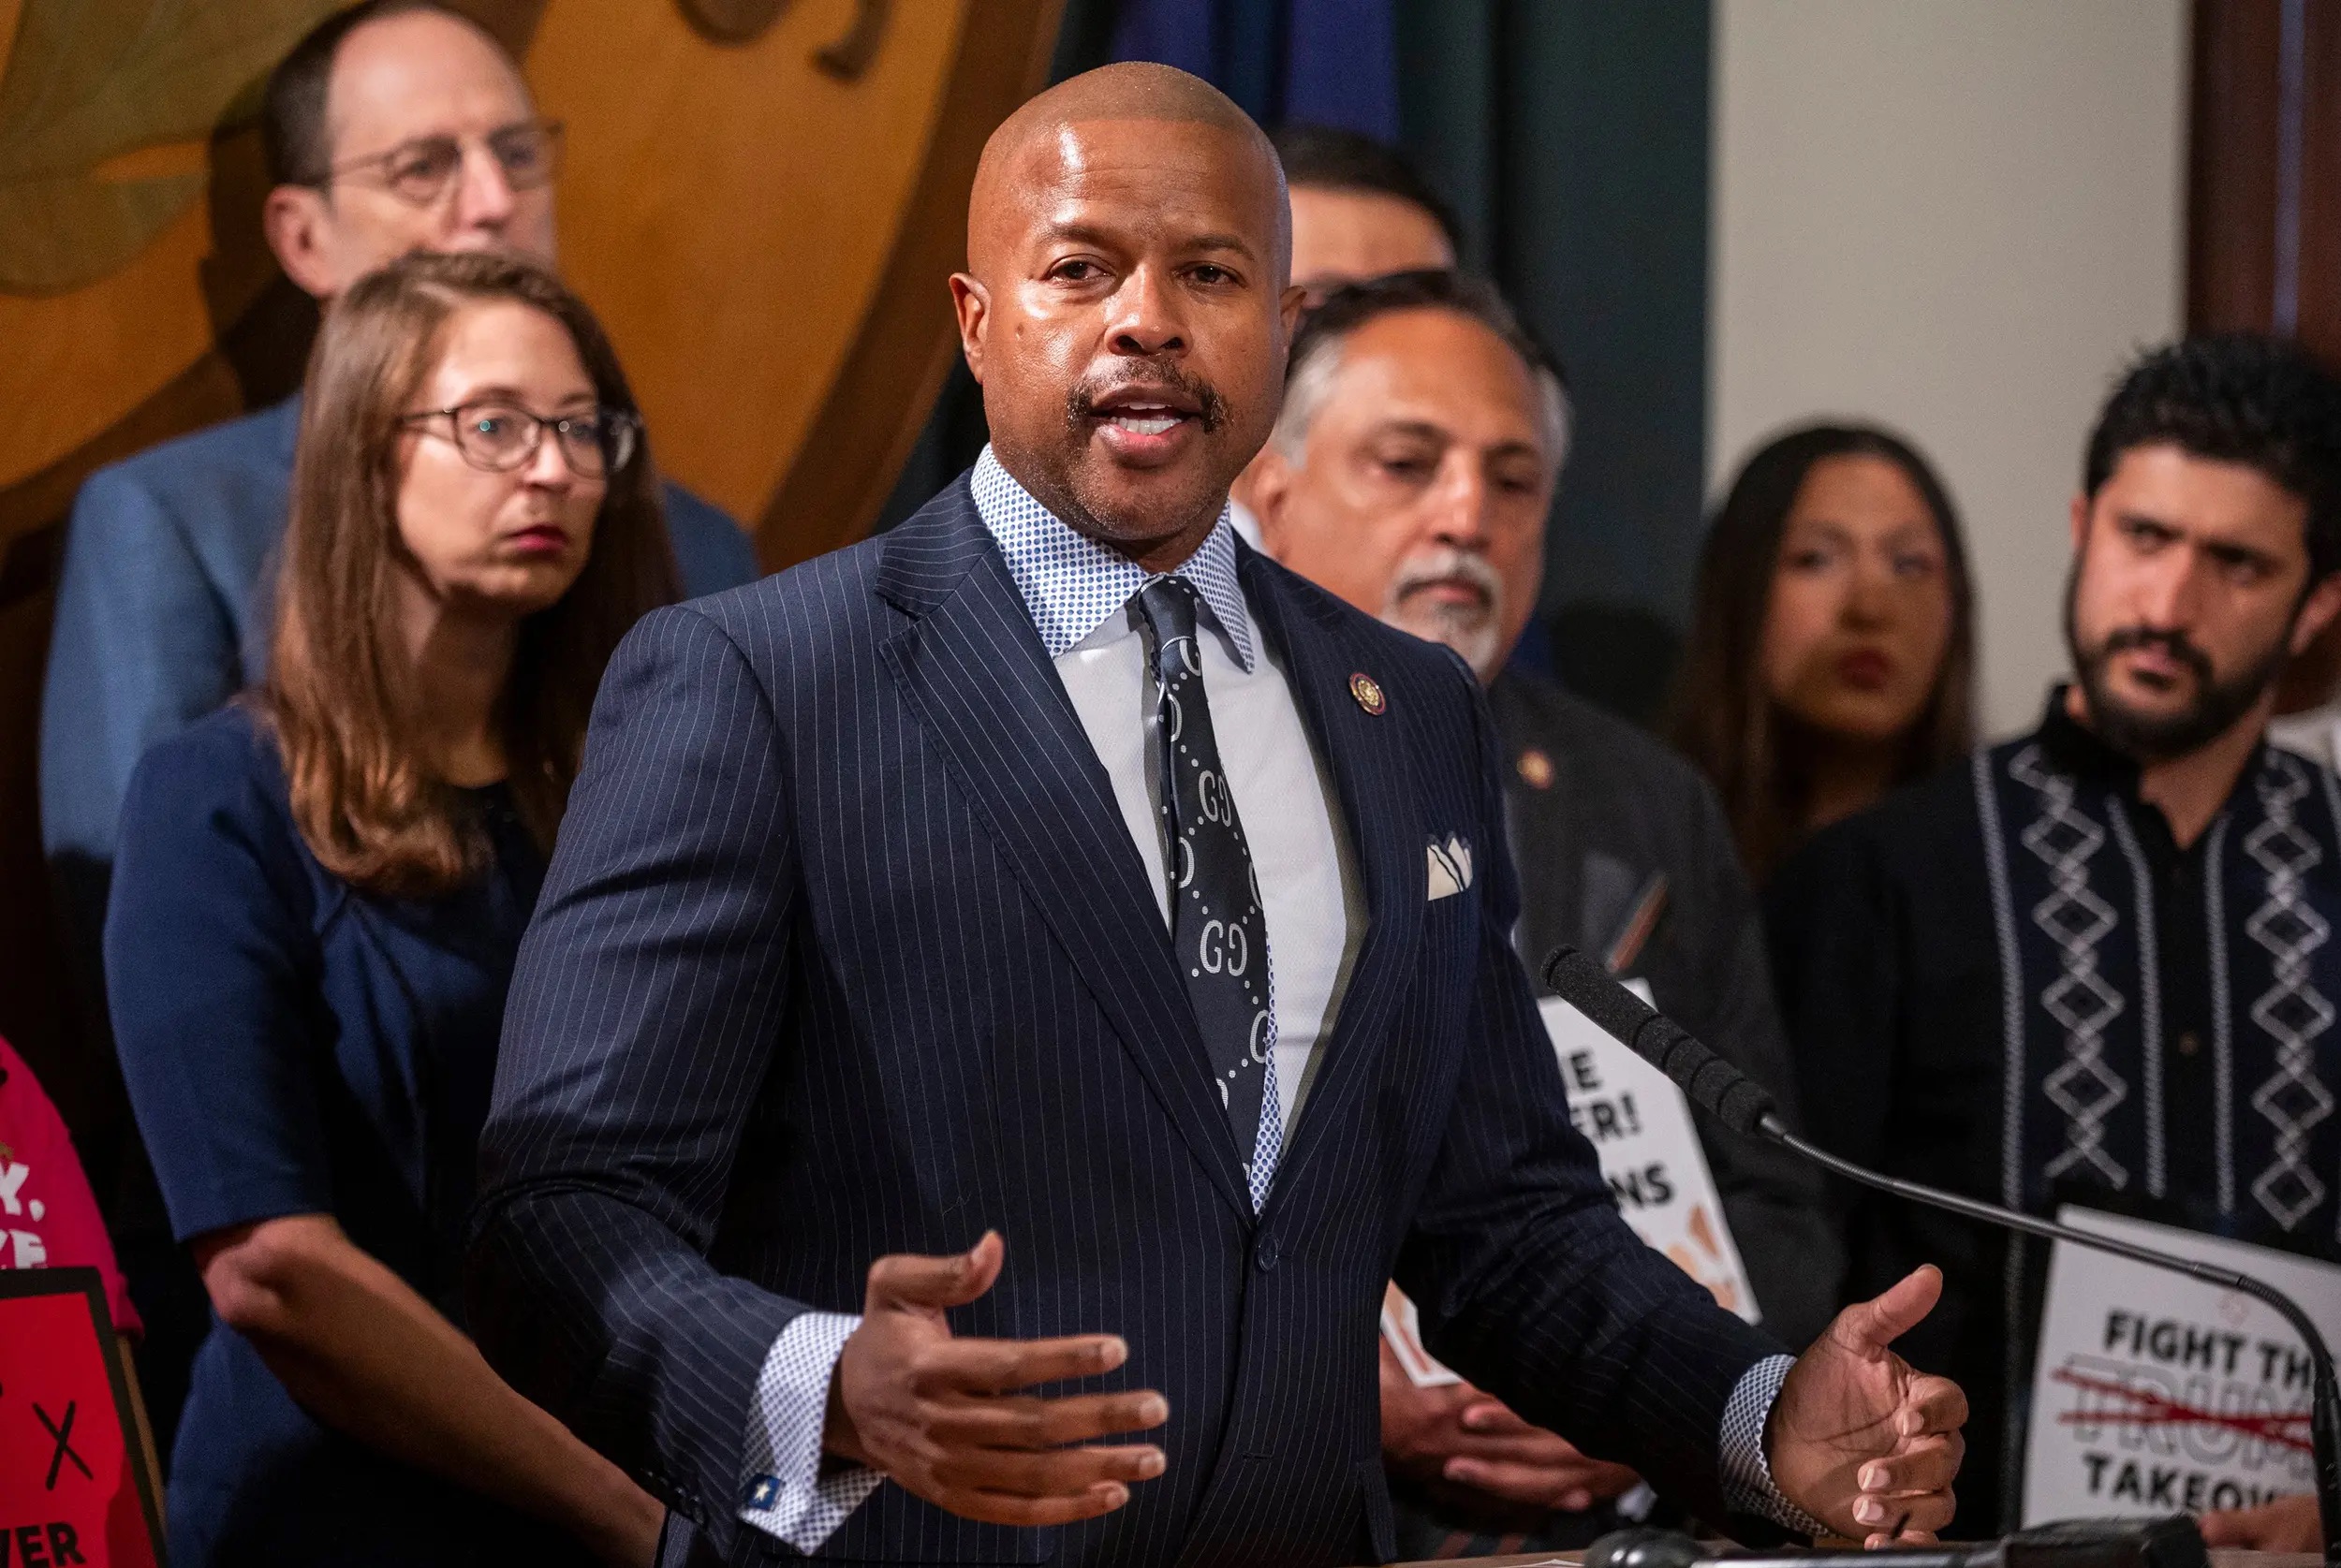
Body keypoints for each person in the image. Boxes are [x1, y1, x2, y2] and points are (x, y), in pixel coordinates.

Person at [468, 63, 1965, 1568]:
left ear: (1285, 327)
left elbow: (1506, 1221)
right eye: (1080, 268)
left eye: (1211, 273)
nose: (1148, 319)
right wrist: (826, 1385)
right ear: (976, 322)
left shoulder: (1410, 713)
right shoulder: (758, 679)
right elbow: (561, 1209)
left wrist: (1757, 1412)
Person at [40, 0, 759, 1454]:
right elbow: (157, 990)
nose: (489, 200)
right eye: (425, 166)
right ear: (303, 236)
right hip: (325, 1348)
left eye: (515, 153)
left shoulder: (690, 538)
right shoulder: (174, 527)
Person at [1248, 269, 1843, 1558]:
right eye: (1407, 464)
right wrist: (1337, 1387)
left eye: (1512, 481)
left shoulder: (1645, 803)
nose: (1467, 515)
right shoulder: (1172, 767)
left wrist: (1657, 1403)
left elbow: (1774, 1199)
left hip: (1626, 1520)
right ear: (1268, 493)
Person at [104, 251, 676, 1566]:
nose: (552, 469)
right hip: (336, 1514)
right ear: (365, 455)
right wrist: (631, 1517)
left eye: (581, 428)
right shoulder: (216, 798)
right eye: (494, 425)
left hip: (635, 1477)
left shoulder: (629, 787)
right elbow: (272, 1266)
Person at [1766, 334, 2341, 1536]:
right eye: (2144, 538)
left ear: (2317, 603)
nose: (2166, 606)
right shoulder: (1886, 876)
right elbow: (1786, 1271)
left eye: (2236, 564)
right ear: (2084, 526)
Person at [1671, 424, 1977, 884]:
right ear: (1739, 591)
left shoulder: (2004, 872)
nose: (1869, 609)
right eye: (1815, 559)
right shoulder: (1648, 845)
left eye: (1909, 563)